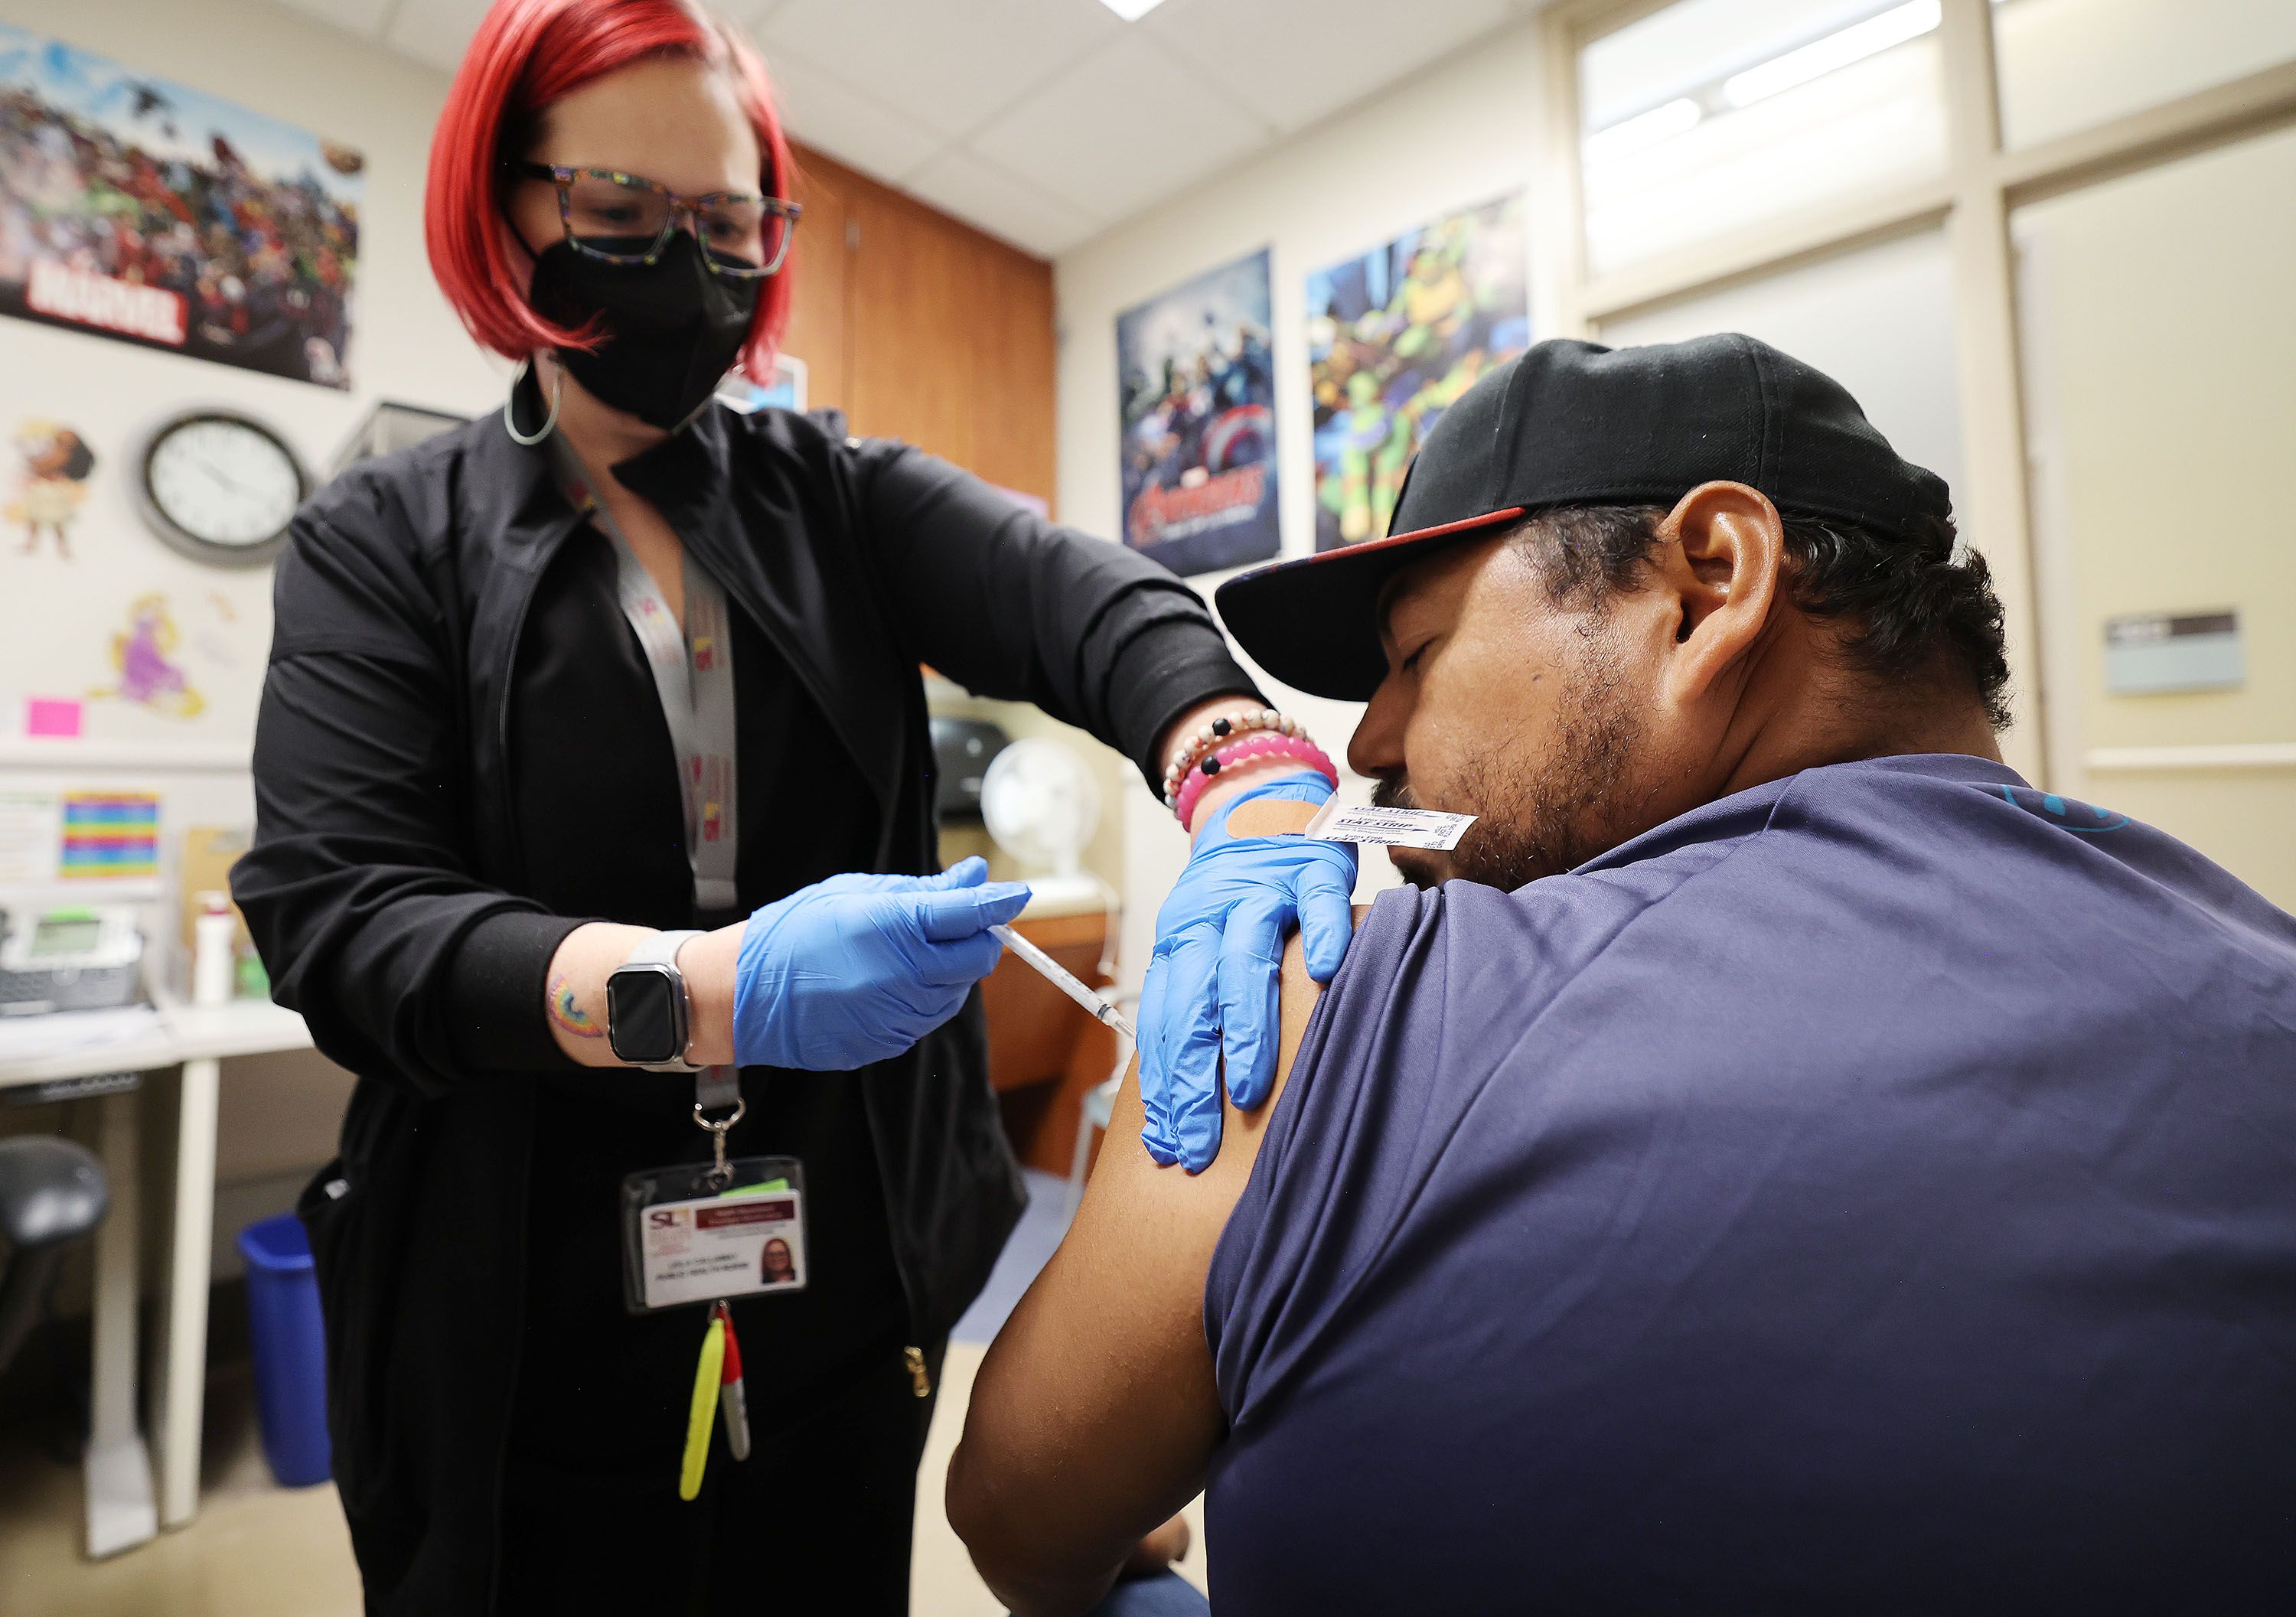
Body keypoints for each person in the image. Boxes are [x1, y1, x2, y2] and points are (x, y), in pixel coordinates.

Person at [229, 3, 1353, 1612]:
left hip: (838, 1249)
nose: (687, 268)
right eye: (621, 216)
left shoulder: (835, 494)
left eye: (732, 223)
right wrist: (711, 993)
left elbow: (1089, 603)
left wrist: (1241, 768)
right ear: (506, 205)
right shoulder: (381, 541)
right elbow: (342, 924)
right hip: (514, 1264)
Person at [948, 337, 2296, 1614]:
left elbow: (1015, 1505)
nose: (1369, 744)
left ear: (1707, 584)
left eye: (1415, 657)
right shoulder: (2264, 975)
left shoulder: (1341, 1004)